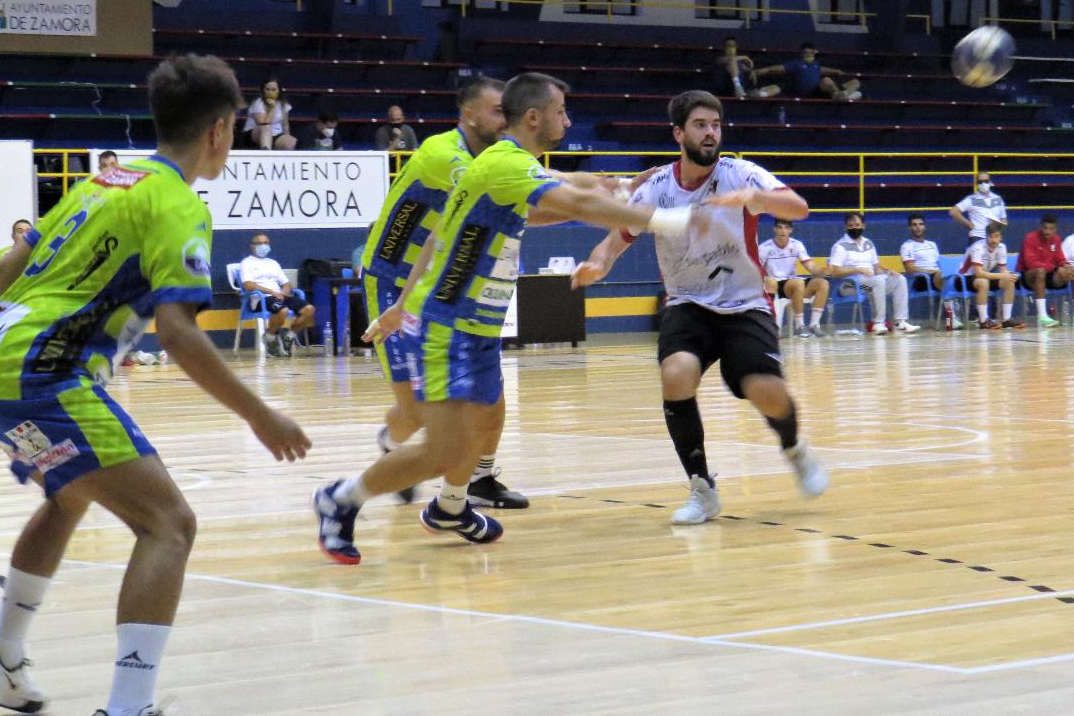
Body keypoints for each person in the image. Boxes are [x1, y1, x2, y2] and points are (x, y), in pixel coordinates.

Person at [0, 54, 311, 716]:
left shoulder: (103, 179)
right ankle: (130, 706)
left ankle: (0, 661)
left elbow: (3, 263)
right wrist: (260, 414)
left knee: (69, 498)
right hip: (46, 373)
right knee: (169, 522)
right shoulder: (177, 204)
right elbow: (179, 333)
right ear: (222, 131)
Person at [314, 72, 696, 564]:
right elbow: (576, 201)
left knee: (486, 426)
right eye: (561, 111)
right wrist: (673, 219)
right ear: (535, 117)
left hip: (477, 324)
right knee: (444, 449)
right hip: (446, 326)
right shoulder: (502, 165)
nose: (569, 120)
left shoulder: (507, 169)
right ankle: (339, 499)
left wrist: (619, 192)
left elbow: (441, 236)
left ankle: (451, 508)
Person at [570, 90, 827, 526]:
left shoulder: (740, 174)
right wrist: (597, 264)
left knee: (767, 392)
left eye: (716, 125)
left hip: (744, 303)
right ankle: (702, 487)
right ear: (678, 133)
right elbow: (616, 238)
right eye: (701, 125)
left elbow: (798, 207)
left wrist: (754, 199)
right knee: (676, 375)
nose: (711, 132)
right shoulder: (656, 187)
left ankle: (794, 447)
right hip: (687, 302)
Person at [357, 76, 529, 509]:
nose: (504, 120)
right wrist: (602, 195)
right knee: (418, 409)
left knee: (489, 393)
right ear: (468, 114)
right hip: (392, 277)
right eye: (496, 111)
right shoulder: (442, 153)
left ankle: (482, 479)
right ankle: (391, 442)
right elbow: (515, 196)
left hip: (441, 281)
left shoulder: (497, 156)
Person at [828, 213, 920, 335]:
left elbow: (876, 268)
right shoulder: (840, 246)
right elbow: (834, 272)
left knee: (899, 279)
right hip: (850, 285)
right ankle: (878, 323)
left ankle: (900, 322)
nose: (854, 228)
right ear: (846, 227)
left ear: (863, 226)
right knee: (878, 282)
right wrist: (857, 270)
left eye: (857, 225)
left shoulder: (868, 243)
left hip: (868, 286)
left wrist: (887, 271)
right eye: (850, 226)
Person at [238, 232, 315, 357]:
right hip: (261, 298)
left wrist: (284, 292)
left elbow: (286, 283)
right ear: (252, 246)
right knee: (282, 310)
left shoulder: (273, 263)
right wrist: (271, 292)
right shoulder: (246, 263)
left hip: (279, 296)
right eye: (260, 243)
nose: (264, 245)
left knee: (309, 309)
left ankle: (289, 337)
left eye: (266, 243)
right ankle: (270, 337)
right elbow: (248, 285)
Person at [757, 218, 828, 337]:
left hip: (794, 282)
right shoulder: (765, 248)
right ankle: (799, 326)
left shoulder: (797, 245)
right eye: (779, 227)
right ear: (774, 229)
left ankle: (814, 325)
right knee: (798, 283)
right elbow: (757, 269)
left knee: (822, 283)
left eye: (786, 227)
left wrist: (822, 271)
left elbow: (810, 266)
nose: (782, 231)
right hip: (777, 284)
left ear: (791, 230)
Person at [1019, 214, 1074, 328]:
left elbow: (1060, 259)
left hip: (1047, 275)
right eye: (1045, 228)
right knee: (1040, 271)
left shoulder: (1056, 239)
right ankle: (1042, 316)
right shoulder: (1030, 238)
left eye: (1051, 229)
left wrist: (1066, 267)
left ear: (1055, 229)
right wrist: (1056, 268)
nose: (1048, 231)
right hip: (1029, 276)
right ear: (1040, 227)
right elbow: (1031, 263)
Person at [900, 213, 959, 327]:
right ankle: (953, 318)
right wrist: (930, 272)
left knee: (953, 277)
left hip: (938, 276)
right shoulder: (907, 246)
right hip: (921, 280)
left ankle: (953, 318)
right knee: (944, 278)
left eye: (921, 224)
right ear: (910, 227)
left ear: (924, 227)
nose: (918, 227)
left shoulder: (932, 244)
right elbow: (909, 268)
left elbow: (939, 263)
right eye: (914, 225)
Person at [960, 223, 1021, 330]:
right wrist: (1003, 275)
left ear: (1001, 237)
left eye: (996, 236)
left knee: (1009, 281)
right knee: (983, 282)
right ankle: (983, 321)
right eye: (991, 236)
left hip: (985, 276)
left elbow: (1003, 271)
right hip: (964, 278)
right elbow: (978, 273)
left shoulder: (1002, 248)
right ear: (986, 237)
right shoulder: (977, 248)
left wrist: (1008, 275)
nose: (993, 240)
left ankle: (1006, 319)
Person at [753, 42, 861, 101]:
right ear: (801, 53)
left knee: (855, 82)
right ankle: (841, 96)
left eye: (811, 53)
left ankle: (844, 95)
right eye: (806, 53)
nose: (809, 55)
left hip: (827, 90)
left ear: (814, 53)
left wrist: (836, 71)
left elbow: (821, 69)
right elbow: (776, 68)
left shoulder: (816, 64)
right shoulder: (796, 63)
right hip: (812, 92)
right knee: (827, 80)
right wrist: (762, 70)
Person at [950, 172, 1006, 244]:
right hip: (977, 237)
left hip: (994, 237)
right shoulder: (971, 199)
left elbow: (1004, 219)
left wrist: (999, 226)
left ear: (990, 182)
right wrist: (968, 224)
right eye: (980, 182)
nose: (983, 184)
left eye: (986, 181)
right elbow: (954, 212)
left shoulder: (998, 199)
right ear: (976, 184)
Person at [712, 36, 777, 99]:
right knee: (732, 61)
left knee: (776, 88)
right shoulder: (719, 59)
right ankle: (738, 88)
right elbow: (731, 60)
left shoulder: (740, 63)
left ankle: (759, 94)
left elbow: (748, 70)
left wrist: (752, 71)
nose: (731, 47)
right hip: (727, 90)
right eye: (728, 45)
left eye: (733, 46)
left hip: (744, 91)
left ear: (736, 47)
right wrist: (745, 57)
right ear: (724, 47)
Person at [244, 78, 296, 150]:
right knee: (266, 128)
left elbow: (285, 124)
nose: (270, 92)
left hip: (276, 134)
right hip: (257, 133)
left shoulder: (283, 105)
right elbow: (264, 123)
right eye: (267, 89)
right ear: (263, 90)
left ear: (279, 91)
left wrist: (287, 136)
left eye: (274, 90)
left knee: (290, 141)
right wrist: (272, 108)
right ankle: (266, 154)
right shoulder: (258, 103)